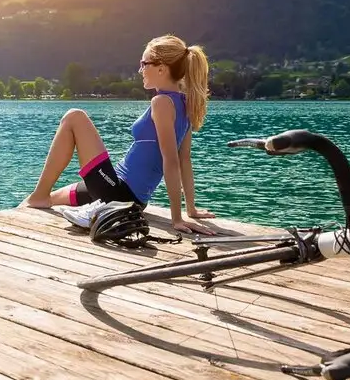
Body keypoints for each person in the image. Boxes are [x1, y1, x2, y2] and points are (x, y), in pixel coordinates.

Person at [19, 34, 217, 235]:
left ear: (161, 68)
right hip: (121, 190)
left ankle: (39, 196)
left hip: (119, 194)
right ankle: (39, 198)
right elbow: (185, 160)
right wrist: (190, 209)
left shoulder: (162, 103)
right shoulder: (185, 104)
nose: (140, 70)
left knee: (74, 117)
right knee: (51, 199)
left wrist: (177, 219)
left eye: (144, 63)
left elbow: (172, 160)